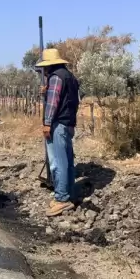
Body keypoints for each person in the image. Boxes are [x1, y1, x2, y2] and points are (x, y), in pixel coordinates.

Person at [37, 48, 80, 217]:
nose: (44, 71)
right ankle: (70, 193)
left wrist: (47, 123)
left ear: (50, 66)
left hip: (58, 124)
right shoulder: (70, 77)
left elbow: (53, 103)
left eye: (45, 68)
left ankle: (62, 199)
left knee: (59, 162)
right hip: (68, 123)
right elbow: (70, 100)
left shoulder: (56, 77)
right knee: (68, 161)